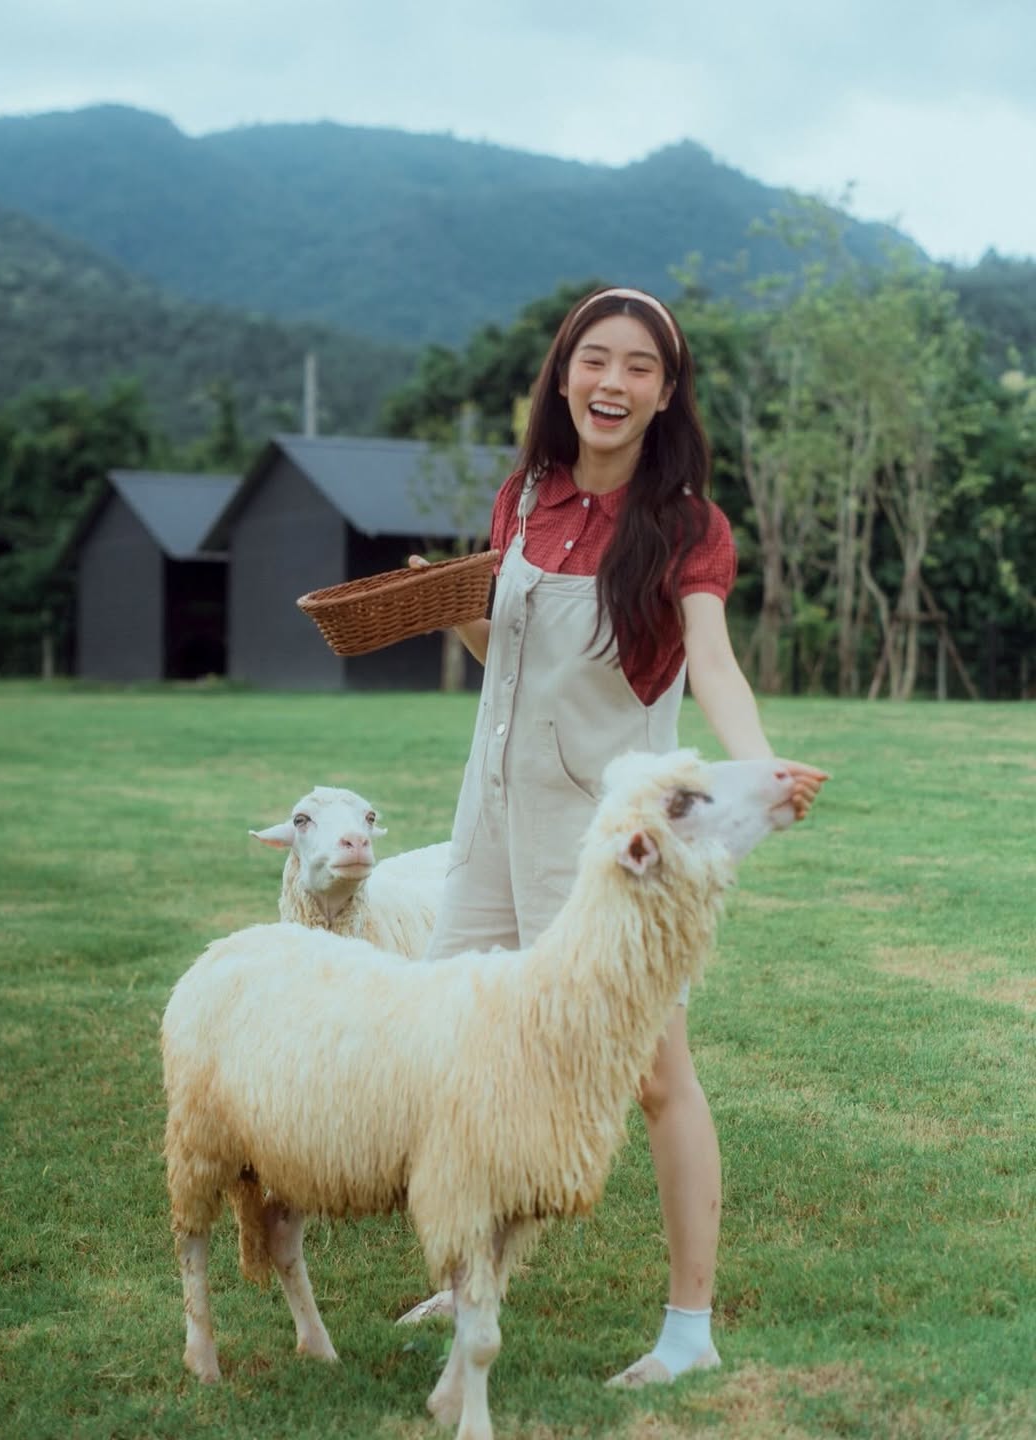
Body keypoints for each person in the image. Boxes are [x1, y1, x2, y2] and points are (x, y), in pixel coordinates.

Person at [402, 286, 828, 1386]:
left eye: (640, 367)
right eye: (595, 359)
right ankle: (472, 1276)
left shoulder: (687, 527)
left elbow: (713, 663)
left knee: (654, 1077)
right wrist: (447, 606)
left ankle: (690, 1329)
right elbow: (510, 659)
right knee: (465, 1047)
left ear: (666, 393)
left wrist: (757, 769)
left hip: (610, 849)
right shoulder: (521, 498)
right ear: (563, 374)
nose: (612, 382)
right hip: (491, 819)